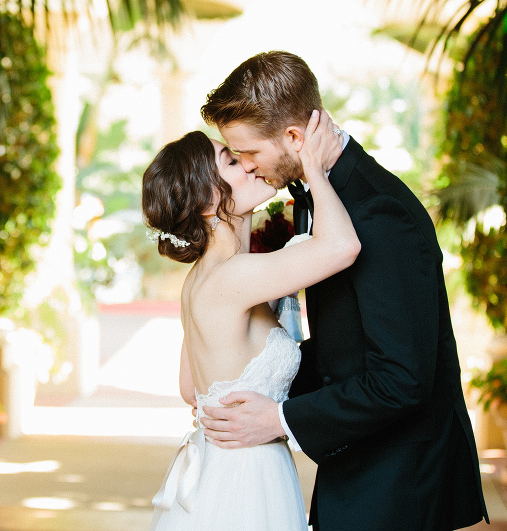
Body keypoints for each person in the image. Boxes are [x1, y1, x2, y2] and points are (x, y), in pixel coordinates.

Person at [198, 50, 488, 530]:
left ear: (294, 138)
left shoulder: (381, 216)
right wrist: (255, 379)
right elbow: (347, 348)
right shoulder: (323, 194)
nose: (246, 168)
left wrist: (281, 419)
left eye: (249, 153)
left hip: (398, 479)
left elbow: (402, 378)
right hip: (358, 458)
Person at [142, 109, 360, 530]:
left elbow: (192, 388)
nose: (247, 162)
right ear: (208, 201)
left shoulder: (201, 279)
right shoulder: (235, 277)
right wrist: (313, 165)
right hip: (247, 477)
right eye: (231, 160)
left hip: (218, 467)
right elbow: (342, 247)